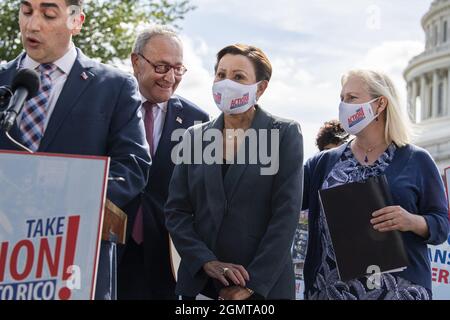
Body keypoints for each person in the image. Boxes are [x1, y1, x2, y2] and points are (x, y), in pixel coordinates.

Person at [0, 0, 151, 299]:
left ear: (76, 22)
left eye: (48, 14)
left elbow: (132, 167)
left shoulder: (115, 86)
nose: (32, 24)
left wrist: (62, 205)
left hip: (75, 262)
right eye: (26, 11)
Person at [165, 44, 304, 300]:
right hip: (202, 286)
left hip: (263, 289)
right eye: (221, 74)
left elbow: (286, 215)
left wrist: (252, 284)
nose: (227, 83)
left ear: (260, 88)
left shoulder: (284, 134)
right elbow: (177, 211)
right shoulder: (193, 137)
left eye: (239, 77)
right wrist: (206, 261)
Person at [302, 69, 449, 300]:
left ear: (380, 104)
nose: (344, 105)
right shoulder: (321, 164)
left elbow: (441, 225)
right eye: (341, 98)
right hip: (332, 292)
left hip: (400, 292)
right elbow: (282, 204)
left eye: (352, 98)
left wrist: (410, 221)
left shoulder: (416, 160)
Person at [117, 25, 209, 300]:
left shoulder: (197, 121)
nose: (170, 77)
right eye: (161, 67)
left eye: (178, 69)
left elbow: (201, 196)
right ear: (136, 62)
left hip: (165, 259)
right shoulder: (108, 104)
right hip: (107, 246)